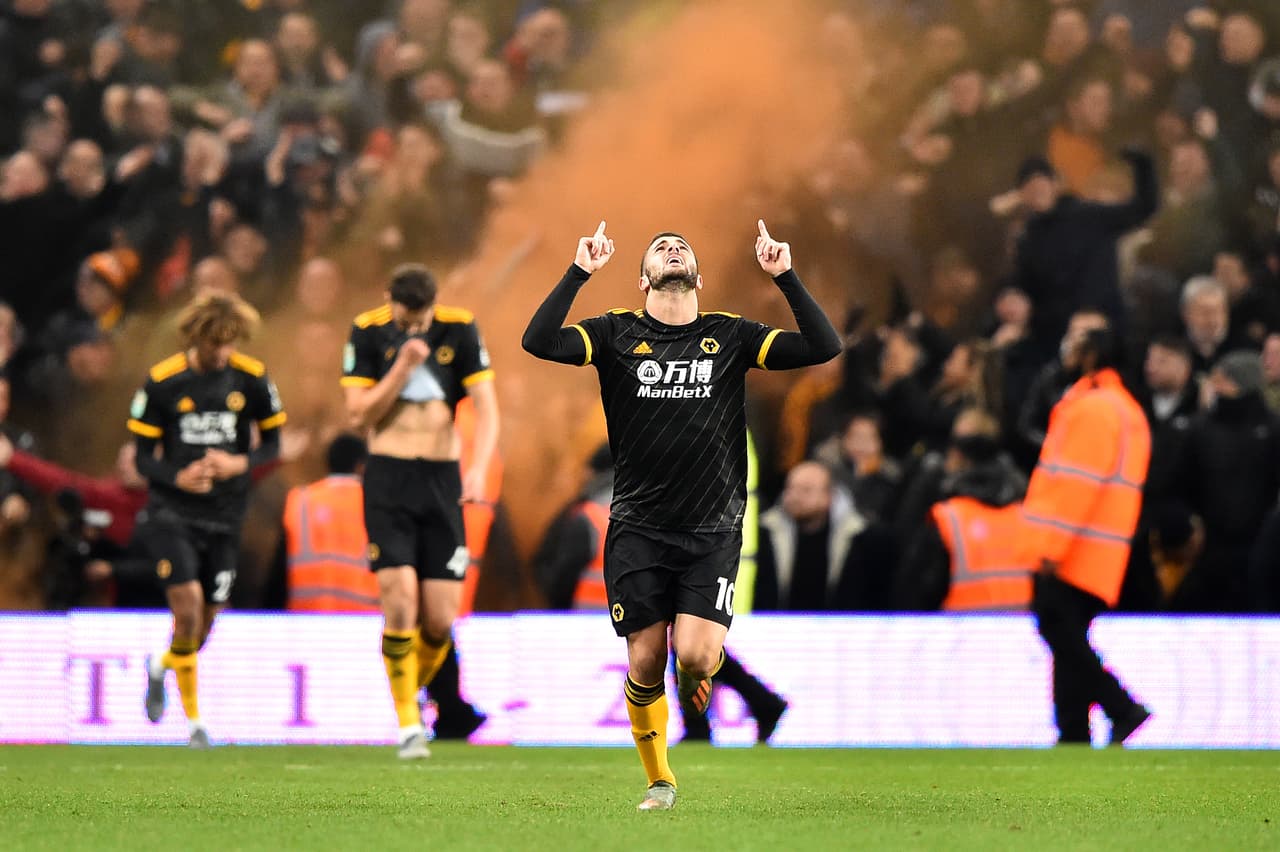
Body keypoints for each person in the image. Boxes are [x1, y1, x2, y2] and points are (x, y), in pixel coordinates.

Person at [522, 220, 841, 810]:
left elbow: (823, 346)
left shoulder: (731, 336)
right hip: (638, 529)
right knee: (645, 658)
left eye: (682, 248)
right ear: (644, 278)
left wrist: (785, 276)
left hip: (711, 529)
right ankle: (660, 781)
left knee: (692, 655)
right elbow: (538, 341)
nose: (672, 250)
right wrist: (579, 273)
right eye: (660, 250)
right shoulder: (616, 333)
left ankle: (698, 676)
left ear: (698, 275)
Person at [342, 263, 498, 760]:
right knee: (400, 596)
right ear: (389, 300)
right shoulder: (367, 331)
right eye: (404, 319)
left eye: (420, 319)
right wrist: (403, 366)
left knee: (440, 617)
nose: (413, 328)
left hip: (442, 477)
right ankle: (409, 722)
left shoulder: (460, 326)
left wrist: (477, 468)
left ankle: (409, 702)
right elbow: (358, 413)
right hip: (388, 473)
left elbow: (487, 408)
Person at [131, 292, 287, 749]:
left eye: (229, 344)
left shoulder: (252, 379)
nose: (221, 353)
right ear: (194, 338)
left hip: (225, 516)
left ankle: (161, 665)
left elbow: (274, 445)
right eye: (213, 345)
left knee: (203, 625)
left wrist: (241, 465)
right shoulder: (162, 383)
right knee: (189, 608)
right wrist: (178, 475)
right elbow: (141, 457)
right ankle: (195, 724)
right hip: (172, 514)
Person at [1018, 327, 1152, 746]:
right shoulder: (1126, 410)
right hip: (1103, 547)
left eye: (1076, 345)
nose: (1067, 351)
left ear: (1093, 355)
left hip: (1075, 547)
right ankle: (1073, 730)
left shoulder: (1093, 409)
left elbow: (1076, 484)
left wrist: (1051, 549)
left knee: (1058, 628)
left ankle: (1120, 706)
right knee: (1068, 635)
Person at [895, 420, 1029, 611]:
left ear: (959, 458)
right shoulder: (1025, 515)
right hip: (1023, 633)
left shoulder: (949, 519)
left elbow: (916, 591)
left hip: (961, 631)